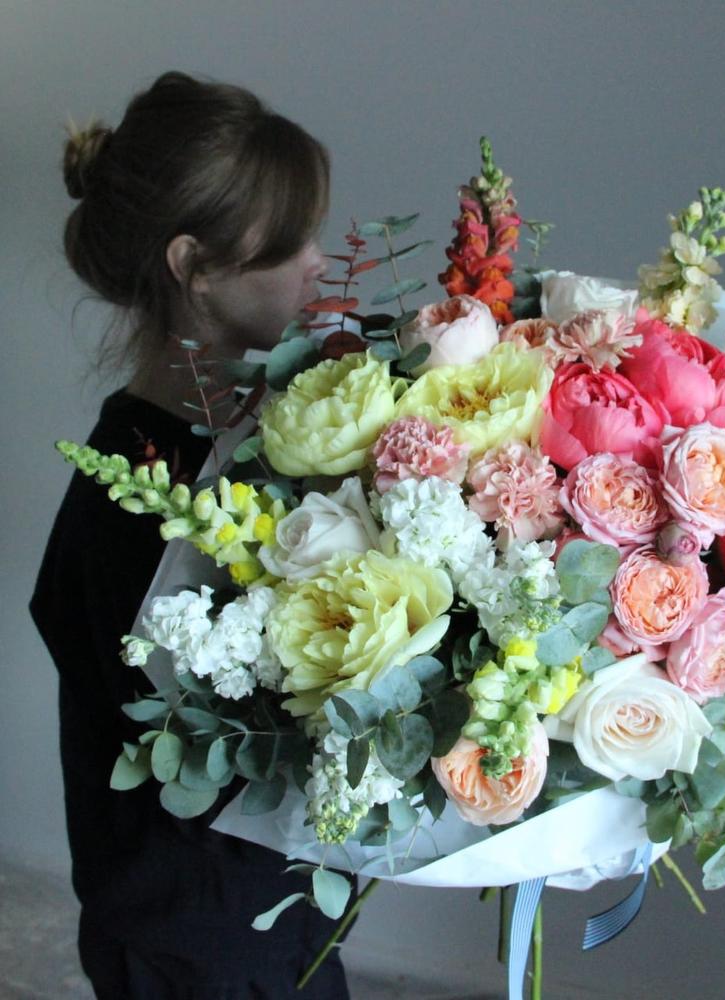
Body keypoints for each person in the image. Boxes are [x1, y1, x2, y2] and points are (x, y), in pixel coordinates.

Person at [30, 71, 354, 999]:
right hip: (193, 945)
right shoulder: (134, 500)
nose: (318, 263)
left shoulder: (247, 440)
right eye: (291, 244)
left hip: (264, 915)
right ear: (193, 266)